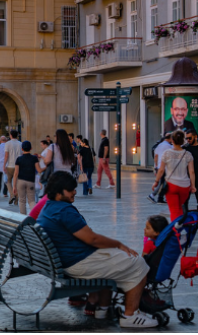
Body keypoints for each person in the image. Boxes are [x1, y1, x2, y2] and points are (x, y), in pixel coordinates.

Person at [37, 172, 158, 328]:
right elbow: (91, 239)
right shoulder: (64, 211)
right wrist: (118, 244)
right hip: (77, 262)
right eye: (71, 190)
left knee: (121, 261)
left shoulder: (49, 206)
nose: (75, 192)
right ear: (59, 192)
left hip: (65, 259)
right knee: (138, 263)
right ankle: (130, 316)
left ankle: (103, 309)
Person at [152, 130, 196, 220]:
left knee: (174, 210)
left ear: (172, 140)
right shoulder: (188, 154)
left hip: (171, 185)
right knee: (179, 208)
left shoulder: (167, 153)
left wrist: (156, 182)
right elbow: (191, 172)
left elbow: (161, 170)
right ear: (183, 140)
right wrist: (193, 185)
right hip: (184, 186)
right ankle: (181, 225)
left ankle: (176, 231)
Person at [12, 141, 42, 214]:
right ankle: (34, 216)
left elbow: (16, 173)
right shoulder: (34, 158)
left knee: (22, 201)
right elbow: (39, 170)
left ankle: (23, 217)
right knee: (31, 200)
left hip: (20, 181)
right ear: (31, 148)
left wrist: (14, 186)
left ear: (22, 149)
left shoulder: (19, 159)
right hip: (31, 181)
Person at [152, 132, 173, 204]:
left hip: (159, 167)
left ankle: (157, 196)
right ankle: (155, 195)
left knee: (162, 182)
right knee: (165, 183)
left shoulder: (159, 145)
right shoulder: (169, 147)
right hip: (166, 167)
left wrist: (155, 166)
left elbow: (156, 157)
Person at [4, 130, 22, 202]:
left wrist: (4, 164)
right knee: (17, 182)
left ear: (10, 135)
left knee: (8, 181)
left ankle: (12, 195)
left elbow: (6, 155)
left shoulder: (8, 143)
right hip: (19, 165)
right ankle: (16, 198)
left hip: (10, 165)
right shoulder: (20, 143)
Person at [182, 129, 198, 207]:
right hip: (188, 178)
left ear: (195, 137)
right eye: (186, 138)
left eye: (190, 138)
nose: (188, 140)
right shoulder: (186, 149)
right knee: (184, 203)